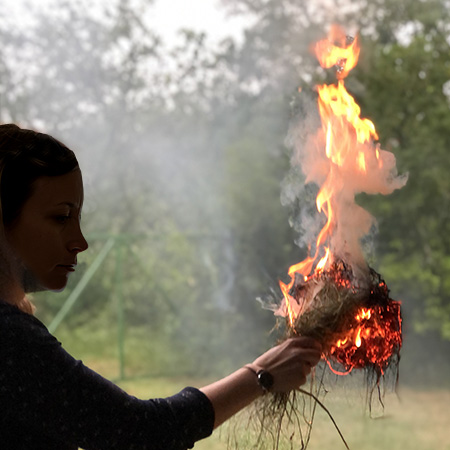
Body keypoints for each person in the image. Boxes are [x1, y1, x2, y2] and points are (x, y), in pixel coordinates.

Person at [0, 123, 322, 450]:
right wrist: (261, 375)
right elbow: (140, 433)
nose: (79, 242)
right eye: (60, 217)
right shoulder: (9, 338)